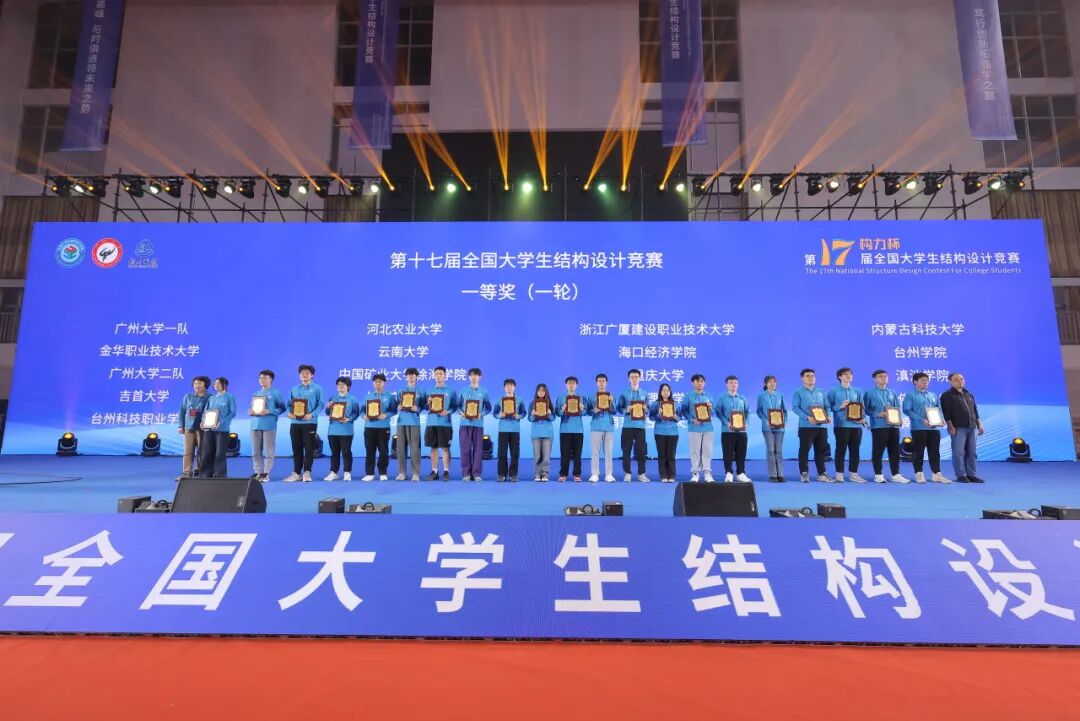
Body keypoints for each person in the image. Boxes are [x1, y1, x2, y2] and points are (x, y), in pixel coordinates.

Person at [903, 372, 952, 484]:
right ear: (915, 381)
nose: (925, 382)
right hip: (919, 428)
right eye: (922, 380)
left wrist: (941, 420)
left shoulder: (933, 395)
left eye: (927, 380)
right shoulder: (910, 395)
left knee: (935, 452)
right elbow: (906, 410)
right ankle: (919, 473)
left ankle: (936, 474)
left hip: (934, 429)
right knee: (918, 451)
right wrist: (922, 419)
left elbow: (937, 409)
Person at [863, 369, 911, 484]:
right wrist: (877, 414)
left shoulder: (892, 393)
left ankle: (895, 474)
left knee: (894, 451)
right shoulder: (869, 393)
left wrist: (898, 421)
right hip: (879, 426)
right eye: (880, 376)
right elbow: (865, 410)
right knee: (878, 451)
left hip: (893, 426)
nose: (883, 378)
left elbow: (897, 408)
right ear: (875, 379)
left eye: (885, 376)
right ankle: (878, 474)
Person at [940, 372, 985, 483]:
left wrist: (979, 424)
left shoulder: (968, 394)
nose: (960, 381)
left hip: (972, 427)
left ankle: (971, 474)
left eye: (961, 379)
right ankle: (961, 475)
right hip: (958, 428)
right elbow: (946, 413)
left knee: (972, 452)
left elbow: (975, 410)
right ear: (950, 382)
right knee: (958, 452)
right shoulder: (947, 395)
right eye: (956, 379)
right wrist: (950, 427)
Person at [827, 367, 868, 483]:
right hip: (841, 425)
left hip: (856, 426)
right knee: (841, 450)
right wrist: (840, 406)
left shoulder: (857, 391)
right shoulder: (834, 391)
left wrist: (862, 418)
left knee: (855, 450)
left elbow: (862, 407)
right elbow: (828, 407)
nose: (848, 376)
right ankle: (839, 475)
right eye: (845, 374)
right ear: (839, 377)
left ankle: (854, 474)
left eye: (850, 374)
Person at [283, 364, 323, 483]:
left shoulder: (317, 388)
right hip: (295, 423)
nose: (304, 375)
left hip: (310, 422)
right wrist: (290, 413)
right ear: (299, 375)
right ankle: (296, 473)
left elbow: (320, 404)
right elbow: (289, 404)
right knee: (296, 448)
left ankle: (307, 472)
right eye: (302, 373)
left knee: (309, 448)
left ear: (312, 375)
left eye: (307, 373)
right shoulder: (294, 388)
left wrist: (312, 414)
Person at [792, 368, 831, 483]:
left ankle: (821, 473)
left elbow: (827, 406)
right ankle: (804, 473)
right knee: (804, 450)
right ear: (802, 378)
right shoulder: (798, 392)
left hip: (822, 426)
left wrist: (828, 416)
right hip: (806, 426)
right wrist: (807, 417)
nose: (811, 378)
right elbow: (795, 407)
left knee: (821, 451)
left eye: (813, 376)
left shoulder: (821, 391)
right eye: (808, 376)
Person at [249, 369, 286, 483]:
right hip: (255, 425)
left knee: (268, 451)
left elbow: (282, 408)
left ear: (271, 380)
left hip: (269, 425)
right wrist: (251, 411)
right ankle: (258, 472)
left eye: (265, 378)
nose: (262, 380)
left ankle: (266, 473)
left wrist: (269, 411)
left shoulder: (275, 393)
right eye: (260, 378)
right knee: (255, 451)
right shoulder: (256, 394)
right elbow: (253, 408)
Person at [680, 373, 715, 483]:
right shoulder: (688, 396)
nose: (700, 383)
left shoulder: (708, 396)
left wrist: (711, 408)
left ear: (704, 383)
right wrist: (692, 420)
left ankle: (707, 473)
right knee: (694, 451)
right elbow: (684, 411)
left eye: (702, 381)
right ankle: (695, 473)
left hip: (707, 427)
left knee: (707, 451)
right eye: (697, 381)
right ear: (693, 383)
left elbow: (713, 412)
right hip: (694, 427)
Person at [198, 377, 236, 479]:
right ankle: (205, 474)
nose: (216, 385)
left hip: (222, 429)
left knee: (220, 453)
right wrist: (203, 422)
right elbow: (205, 412)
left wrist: (221, 422)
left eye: (218, 383)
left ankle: (219, 475)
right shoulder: (212, 398)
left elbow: (232, 413)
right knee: (207, 452)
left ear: (225, 385)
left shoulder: (229, 397)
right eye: (215, 384)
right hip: (209, 429)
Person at [361, 373, 396, 481]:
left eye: (380, 382)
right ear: (373, 383)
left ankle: (383, 472)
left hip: (383, 427)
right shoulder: (368, 396)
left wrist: (385, 415)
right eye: (376, 382)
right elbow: (362, 411)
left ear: (384, 383)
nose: (378, 384)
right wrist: (364, 416)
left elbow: (394, 410)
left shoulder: (389, 396)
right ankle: (369, 473)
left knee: (383, 451)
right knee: (369, 451)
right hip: (369, 427)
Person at [617, 369, 650, 482]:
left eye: (636, 377)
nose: (634, 379)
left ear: (640, 378)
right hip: (628, 426)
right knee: (626, 450)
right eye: (632, 377)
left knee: (641, 451)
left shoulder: (645, 394)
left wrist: (646, 409)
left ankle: (641, 474)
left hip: (640, 426)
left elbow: (649, 410)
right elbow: (619, 408)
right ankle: (627, 473)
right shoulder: (624, 393)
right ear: (629, 379)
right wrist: (626, 410)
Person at [325, 376, 361, 481]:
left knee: (346, 452)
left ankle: (347, 472)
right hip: (333, 430)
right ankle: (334, 472)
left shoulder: (352, 399)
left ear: (348, 387)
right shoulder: (333, 398)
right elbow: (328, 413)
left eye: (343, 384)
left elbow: (356, 413)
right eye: (338, 384)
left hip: (346, 430)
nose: (340, 386)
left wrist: (349, 419)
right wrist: (328, 407)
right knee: (334, 453)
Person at [458, 368, 491, 481]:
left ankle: (476, 473)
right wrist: (461, 413)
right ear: (468, 377)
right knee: (465, 449)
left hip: (478, 424)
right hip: (465, 424)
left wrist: (481, 414)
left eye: (476, 375)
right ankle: (466, 473)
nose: (474, 377)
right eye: (471, 375)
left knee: (478, 450)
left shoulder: (484, 391)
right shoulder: (463, 391)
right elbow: (458, 406)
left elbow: (488, 408)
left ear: (480, 377)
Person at [393, 368, 427, 481]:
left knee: (415, 449)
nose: (411, 377)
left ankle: (415, 473)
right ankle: (402, 473)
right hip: (401, 421)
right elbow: (396, 404)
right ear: (406, 377)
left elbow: (425, 405)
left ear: (416, 376)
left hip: (414, 421)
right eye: (409, 375)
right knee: (401, 449)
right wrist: (398, 407)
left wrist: (418, 408)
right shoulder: (401, 390)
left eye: (413, 375)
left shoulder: (421, 390)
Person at [717, 375, 752, 483]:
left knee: (741, 452)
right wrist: (726, 422)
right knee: (727, 453)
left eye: (735, 383)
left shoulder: (743, 398)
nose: (733, 385)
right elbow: (718, 412)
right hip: (727, 431)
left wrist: (746, 423)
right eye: (731, 383)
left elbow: (747, 412)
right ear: (726, 385)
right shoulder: (722, 398)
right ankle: (729, 473)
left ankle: (741, 473)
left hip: (741, 431)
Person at [425, 366, 457, 481]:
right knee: (433, 447)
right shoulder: (430, 391)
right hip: (431, 422)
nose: (438, 376)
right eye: (436, 374)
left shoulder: (451, 391)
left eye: (440, 374)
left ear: (445, 376)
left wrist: (448, 412)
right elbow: (426, 407)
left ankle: (446, 471)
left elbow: (455, 406)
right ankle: (434, 471)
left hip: (445, 423)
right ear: (434, 376)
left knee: (445, 448)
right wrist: (428, 403)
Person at [177, 375, 211, 481]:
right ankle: (187, 472)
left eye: (200, 383)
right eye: (195, 383)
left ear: (205, 385)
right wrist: (180, 425)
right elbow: (182, 411)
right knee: (188, 451)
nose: (197, 385)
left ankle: (199, 470)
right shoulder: (188, 396)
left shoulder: (210, 397)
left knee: (202, 450)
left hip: (203, 428)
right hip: (189, 427)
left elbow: (212, 412)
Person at [494, 378, 526, 482]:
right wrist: (500, 415)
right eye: (507, 386)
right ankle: (502, 474)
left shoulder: (519, 400)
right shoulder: (500, 400)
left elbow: (524, 413)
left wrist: (519, 416)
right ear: (504, 388)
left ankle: (513, 474)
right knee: (502, 453)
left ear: (514, 387)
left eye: (511, 386)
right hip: (503, 429)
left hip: (515, 429)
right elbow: (495, 413)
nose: (509, 388)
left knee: (515, 453)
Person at [556, 376, 587, 482]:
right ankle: (563, 474)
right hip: (565, 429)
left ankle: (577, 474)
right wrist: (562, 410)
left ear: (576, 385)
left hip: (578, 430)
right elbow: (557, 413)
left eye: (573, 383)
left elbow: (586, 412)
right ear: (566, 385)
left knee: (577, 455)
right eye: (569, 383)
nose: (571, 385)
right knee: (564, 454)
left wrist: (582, 409)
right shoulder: (561, 398)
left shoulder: (581, 398)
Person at [756, 375, 786, 482]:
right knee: (770, 450)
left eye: (774, 382)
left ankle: (780, 474)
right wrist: (765, 420)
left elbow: (784, 410)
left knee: (779, 450)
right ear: (765, 384)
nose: (772, 384)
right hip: (767, 427)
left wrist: (784, 421)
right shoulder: (761, 396)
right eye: (770, 382)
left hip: (780, 427)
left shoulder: (780, 395)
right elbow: (759, 411)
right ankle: (772, 475)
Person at [587, 373, 617, 483]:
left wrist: (612, 402)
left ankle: (609, 474)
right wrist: (593, 411)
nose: (601, 383)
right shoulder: (592, 396)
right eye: (599, 381)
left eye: (603, 381)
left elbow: (614, 411)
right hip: (596, 425)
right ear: (596, 383)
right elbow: (587, 411)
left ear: (606, 383)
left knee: (608, 452)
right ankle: (595, 474)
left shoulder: (611, 396)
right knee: (595, 451)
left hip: (608, 426)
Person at [650, 382, 680, 483]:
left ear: (670, 392)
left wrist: (676, 418)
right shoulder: (656, 404)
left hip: (673, 432)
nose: (666, 392)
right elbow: (651, 417)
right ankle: (663, 475)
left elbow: (680, 417)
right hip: (660, 432)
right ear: (660, 392)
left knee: (671, 455)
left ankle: (672, 475)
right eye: (663, 390)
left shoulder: (675, 404)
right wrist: (658, 415)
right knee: (662, 455)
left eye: (667, 390)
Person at [529, 383, 555, 482]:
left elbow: (553, 418)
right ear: (536, 392)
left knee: (546, 456)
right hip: (536, 433)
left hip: (547, 433)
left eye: (543, 390)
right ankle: (537, 474)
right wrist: (533, 415)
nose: (541, 392)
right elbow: (530, 419)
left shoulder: (549, 403)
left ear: (546, 392)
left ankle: (545, 474)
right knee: (537, 455)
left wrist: (549, 414)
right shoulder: (532, 403)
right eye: (539, 390)